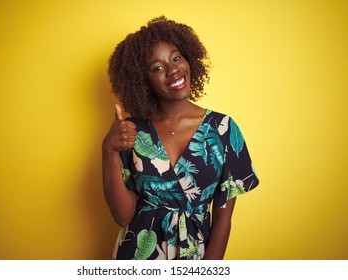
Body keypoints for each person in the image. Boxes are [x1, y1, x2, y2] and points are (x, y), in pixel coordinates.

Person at [102, 16, 259, 260]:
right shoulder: (130, 133)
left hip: (196, 257)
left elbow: (223, 218)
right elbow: (123, 216)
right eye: (158, 67)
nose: (173, 69)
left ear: (189, 59)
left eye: (176, 58)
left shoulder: (222, 129)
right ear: (143, 81)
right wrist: (109, 150)